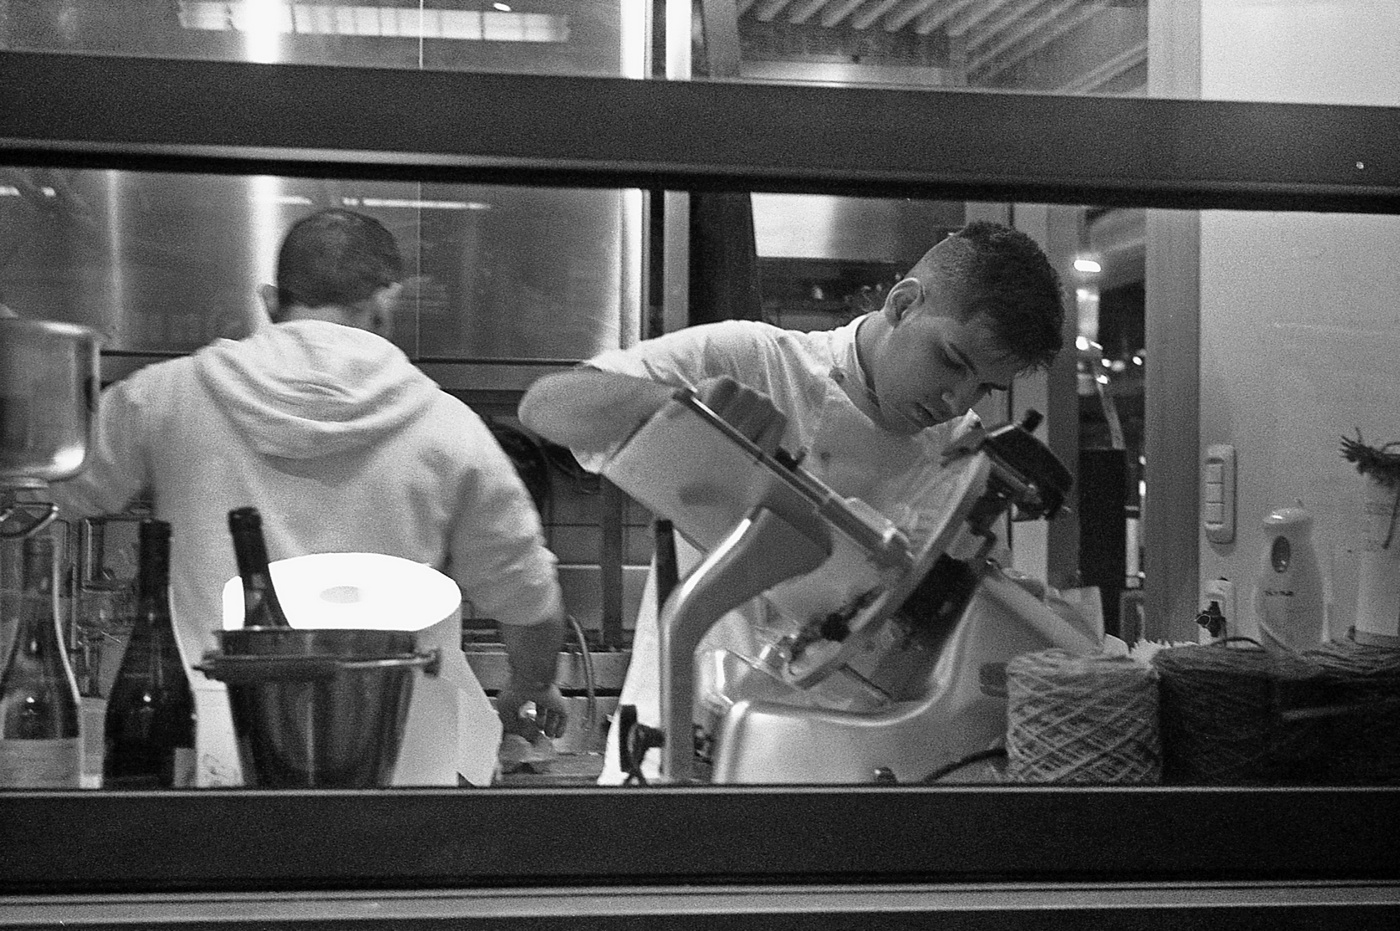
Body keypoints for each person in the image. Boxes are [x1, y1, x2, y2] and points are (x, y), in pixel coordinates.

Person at [518, 220, 1065, 784]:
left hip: (843, 771)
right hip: (683, 753)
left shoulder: (962, 455)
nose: (957, 398)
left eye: (984, 387)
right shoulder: (756, 360)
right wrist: (681, 406)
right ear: (904, 304)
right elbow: (548, 406)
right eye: (951, 360)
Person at [52, 208, 568, 776]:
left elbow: (49, 491)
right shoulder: (450, 428)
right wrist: (531, 683)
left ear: (271, 302)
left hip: (219, 754)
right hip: (401, 767)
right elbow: (528, 597)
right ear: (384, 304)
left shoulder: (167, 397)